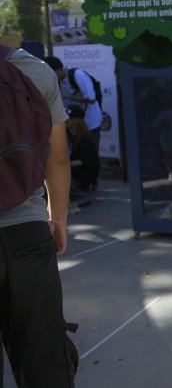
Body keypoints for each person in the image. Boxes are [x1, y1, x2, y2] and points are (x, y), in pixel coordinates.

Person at [1, 44, 77, 386]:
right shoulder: (33, 70)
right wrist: (57, 219)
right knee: (45, 363)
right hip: (28, 234)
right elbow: (57, 157)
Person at [43, 56, 102, 146]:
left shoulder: (78, 75)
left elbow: (91, 99)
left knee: (90, 150)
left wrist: (68, 97)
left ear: (59, 69)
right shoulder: (57, 82)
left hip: (90, 122)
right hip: (73, 127)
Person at [65, 105, 100, 208]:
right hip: (75, 171)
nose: (64, 120)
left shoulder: (84, 138)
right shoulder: (69, 136)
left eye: (67, 118)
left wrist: (66, 164)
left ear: (76, 121)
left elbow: (88, 160)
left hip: (84, 174)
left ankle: (81, 197)